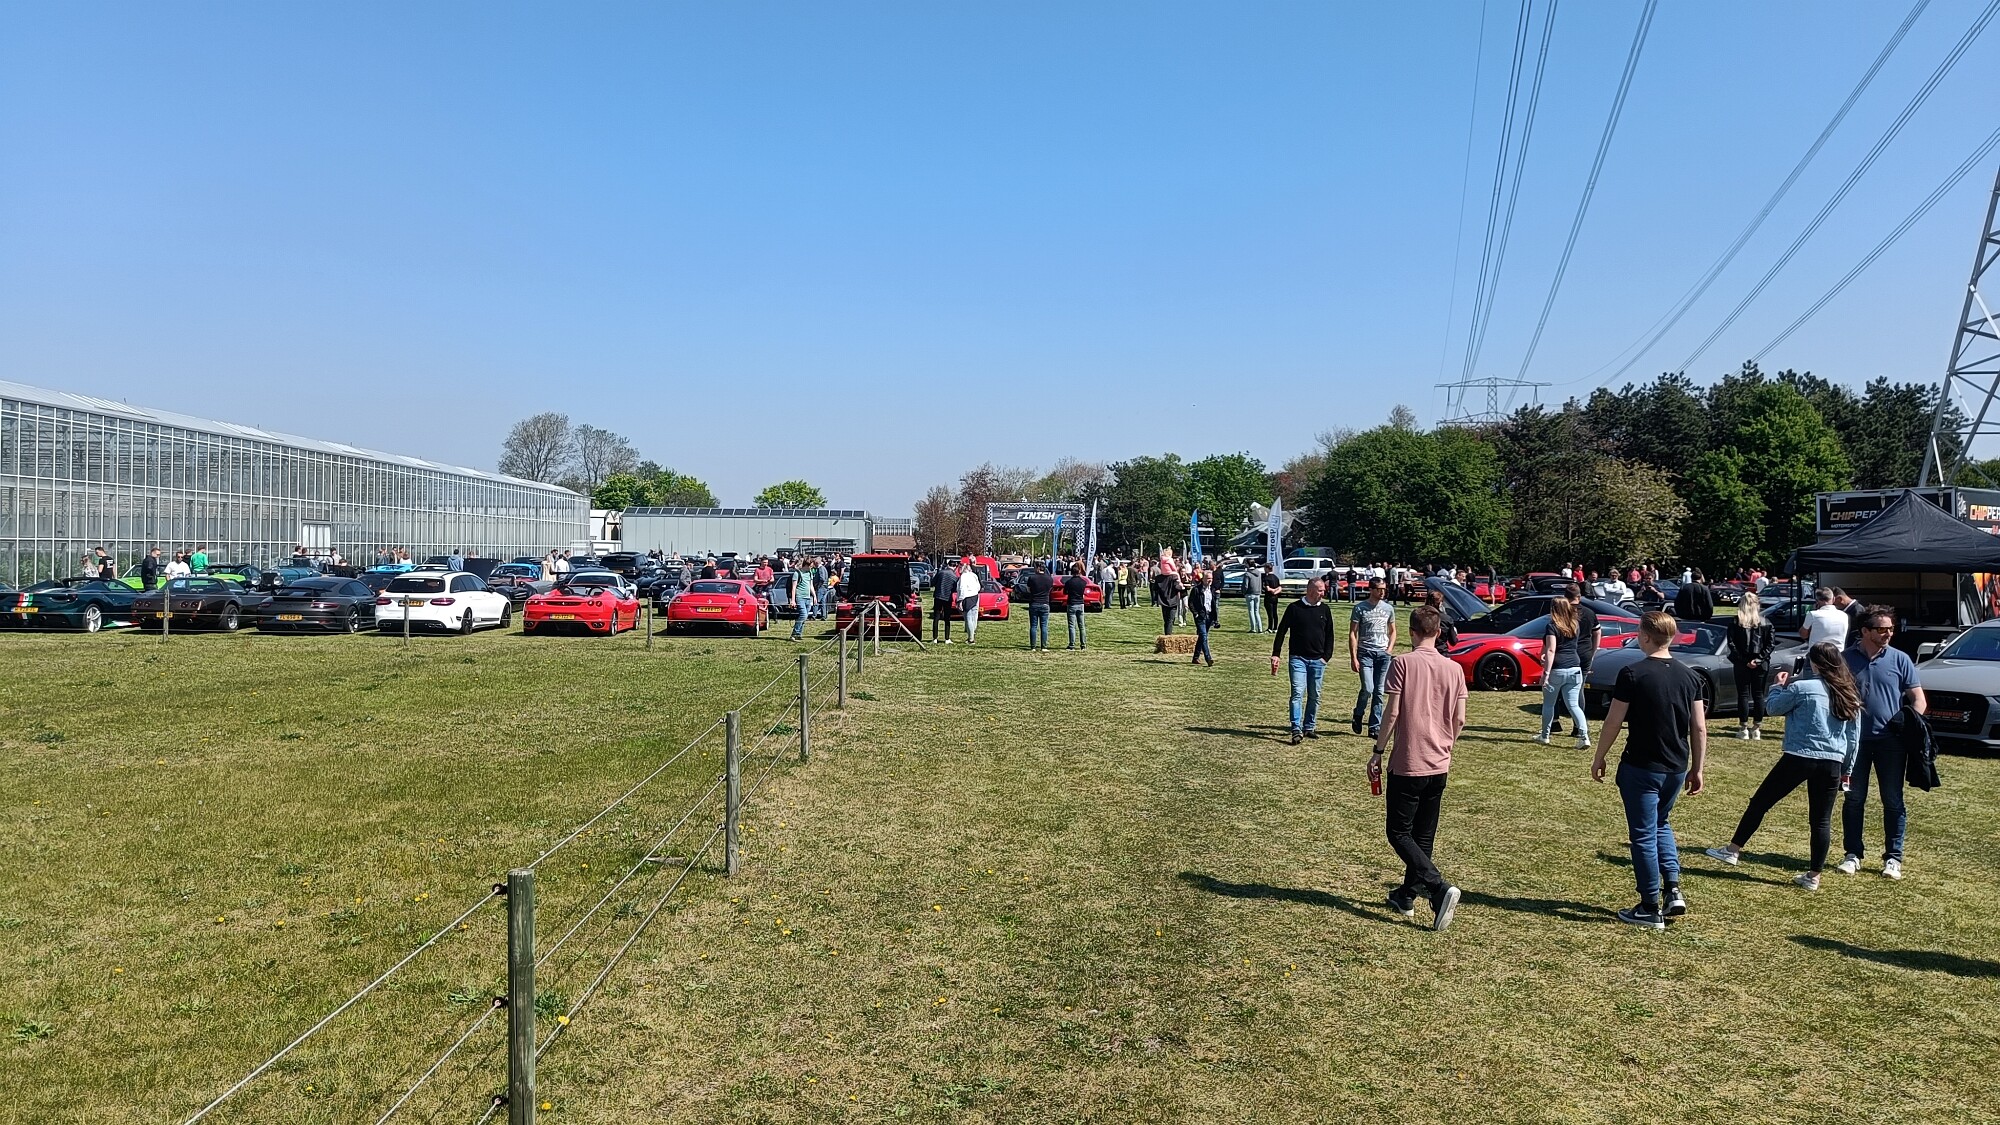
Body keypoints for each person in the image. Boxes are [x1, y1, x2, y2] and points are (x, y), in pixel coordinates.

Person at [1705, 642, 1861, 890]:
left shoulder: (1802, 687)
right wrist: (1847, 771)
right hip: (1832, 762)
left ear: (1815, 663)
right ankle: (1813, 876)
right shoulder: (1848, 693)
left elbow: (1773, 708)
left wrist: (1778, 686)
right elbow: (1853, 738)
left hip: (1799, 756)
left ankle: (1733, 850)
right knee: (1821, 820)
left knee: (1761, 802)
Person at [1592, 611, 1707, 930]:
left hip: (1641, 766)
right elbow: (1699, 728)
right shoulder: (1691, 676)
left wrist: (1599, 756)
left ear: (1644, 637)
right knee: (1660, 823)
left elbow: (1613, 721)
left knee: (1643, 834)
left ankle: (1648, 906)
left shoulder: (1632, 673)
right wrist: (1698, 768)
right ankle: (1673, 890)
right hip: (1676, 766)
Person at [1370, 605, 1466, 930]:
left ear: (1412, 632)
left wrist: (1378, 750)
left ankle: (1437, 887)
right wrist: (1447, 744)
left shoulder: (1402, 663)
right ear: (1438, 632)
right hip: (1439, 763)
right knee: (1423, 836)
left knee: (1398, 832)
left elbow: (1393, 712)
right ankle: (1407, 895)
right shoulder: (1454, 669)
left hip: (1409, 762)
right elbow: (1460, 719)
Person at [1837, 605, 1926, 880]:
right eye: (1882, 629)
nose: (1888, 633)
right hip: (1854, 743)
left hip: (1892, 744)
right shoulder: (1845, 659)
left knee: (1893, 800)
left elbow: (1918, 699)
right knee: (1854, 799)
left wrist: (1911, 724)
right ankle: (1852, 855)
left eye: (1891, 629)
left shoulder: (1901, 659)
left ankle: (1893, 859)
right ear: (1865, 631)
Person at [1271, 577, 1336, 745]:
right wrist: (1276, 653)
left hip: (1318, 660)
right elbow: (1281, 631)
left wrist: (1326, 657)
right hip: (1298, 659)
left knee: (1315, 695)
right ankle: (1296, 728)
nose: (1323, 593)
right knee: (1297, 693)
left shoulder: (1325, 609)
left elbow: (1330, 634)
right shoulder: (1294, 608)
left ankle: (1309, 726)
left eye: (1323, 590)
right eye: (1320, 590)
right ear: (1311, 590)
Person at [1536, 597, 1590, 749]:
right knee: (1574, 706)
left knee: (1549, 704)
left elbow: (1551, 650)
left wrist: (1546, 673)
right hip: (1575, 668)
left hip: (1557, 669)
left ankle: (1545, 736)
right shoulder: (1574, 624)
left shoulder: (1552, 626)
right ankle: (1584, 737)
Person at [1349, 579, 1397, 737]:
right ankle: (1358, 713)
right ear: (1371, 590)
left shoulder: (1388, 608)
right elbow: (1353, 633)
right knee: (1368, 688)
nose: (1382, 592)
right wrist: (1354, 657)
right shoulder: (1360, 608)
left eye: (1384, 589)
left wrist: (1389, 649)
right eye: (1379, 589)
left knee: (1379, 691)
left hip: (1383, 654)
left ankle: (1374, 726)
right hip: (1366, 653)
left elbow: (1393, 631)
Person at [1726, 592, 1775, 739]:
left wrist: (1744, 661)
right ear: (1757, 605)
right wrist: (1759, 659)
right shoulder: (1766, 622)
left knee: (1743, 694)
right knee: (1758, 694)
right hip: (1761, 663)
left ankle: (1743, 728)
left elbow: (1731, 644)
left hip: (1742, 663)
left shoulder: (1736, 622)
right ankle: (1756, 728)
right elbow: (1770, 645)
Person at [1018, 561, 1054, 651]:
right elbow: (1050, 589)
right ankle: (1044, 646)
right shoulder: (1049, 579)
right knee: (1044, 626)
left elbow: (1028, 589)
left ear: (1038, 568)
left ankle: (1033, 646)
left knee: (1033, 626)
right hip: (1045, 603)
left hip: (1034, 602)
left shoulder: (1032, 578)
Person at [1186, 569, 1215, 666]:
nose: (1210, 580)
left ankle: (1195, 657)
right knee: (1204, 636)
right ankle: (1208, 658)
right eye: (1208, 578)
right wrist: (1195, 613)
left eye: (1211, 578)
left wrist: (1215, 618)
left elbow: (1214, 604)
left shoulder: (1212, 590)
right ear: (1203, 579)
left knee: (1202, 637)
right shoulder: (1196, 589)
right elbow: (1190, 602)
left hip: (1209, 616)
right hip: (1200, 616)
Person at [956, 557, 984, 644]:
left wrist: (960, 600)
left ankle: (971, 639)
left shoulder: (963, 576)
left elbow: (962, 588)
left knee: (968, 618)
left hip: (967, 597)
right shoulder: (974, 575)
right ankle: (972, 633)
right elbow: (978, 586)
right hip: (975, 596)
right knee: (974, 616)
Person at [1422, 585, 1457, 652]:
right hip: (1440, 651)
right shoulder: (1447, 619)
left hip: (1422, 651)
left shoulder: (1419, 616)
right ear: (1440, 603)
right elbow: (1453, 641)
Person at [1064, 562, 1090, 650]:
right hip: (1080, 603)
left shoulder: (1069, 582)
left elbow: (1065, 592)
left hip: (1071, 603)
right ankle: (1083, 644)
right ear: (1079, 572)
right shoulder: (1083, 582)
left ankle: (1072, 644)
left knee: (1072, 625)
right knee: (1081, 626)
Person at [931, 560, 958, 643]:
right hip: (947, 598)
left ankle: (935, 638)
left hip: (938, 596)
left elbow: (932, 583)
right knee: (947, 618)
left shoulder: (940, 572)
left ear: (948, 565)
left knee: (936, 617)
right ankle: (947, 638)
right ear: (955, 567)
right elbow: (955, 589)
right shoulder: (954, 576)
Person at [1152, 564, 1183, 636]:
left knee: (1166, 620)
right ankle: (1168, 635)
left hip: (1163, 601)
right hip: (1173, 601)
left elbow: (1155, 588)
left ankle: (1167, 634)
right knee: (1170, 620)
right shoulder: (1174, 577)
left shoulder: (1158, 578)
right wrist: (1181, 586)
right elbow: (1177, 587)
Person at [789, 561, 815, 640]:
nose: (812, 568)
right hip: (800, 597)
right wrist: (793, 600)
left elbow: (811, 586)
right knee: (803, 615)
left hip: (808, 597)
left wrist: (814, 596)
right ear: (806, 565)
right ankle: (794, 633)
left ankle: (798, 634)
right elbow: (793, 588)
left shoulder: (810, 573)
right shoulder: (797, 573)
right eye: (810, 566)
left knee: (805, 616)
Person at [1243, 565, 1265, 633]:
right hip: (1257, 593)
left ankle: (1253, 628)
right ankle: (1260, 628)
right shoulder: (1259, 573)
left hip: (1250, 593)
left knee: (1251, 611)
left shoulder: (1247, 574)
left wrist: (1244, 592)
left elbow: (1246, 585)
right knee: (1257, 611)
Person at [1261, 563, 1281, 637]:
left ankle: (1270, 628)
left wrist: (1272, 590)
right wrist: (1276, 591)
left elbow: (1267, 588)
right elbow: (1280, 587)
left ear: (1267, 568)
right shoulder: (1276, 577)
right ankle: (1275, 628)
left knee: (1270, 614)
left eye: (1264, 568)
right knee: (1275, 613)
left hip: (1268, 597)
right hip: (1275, 598)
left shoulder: (1267, 578)